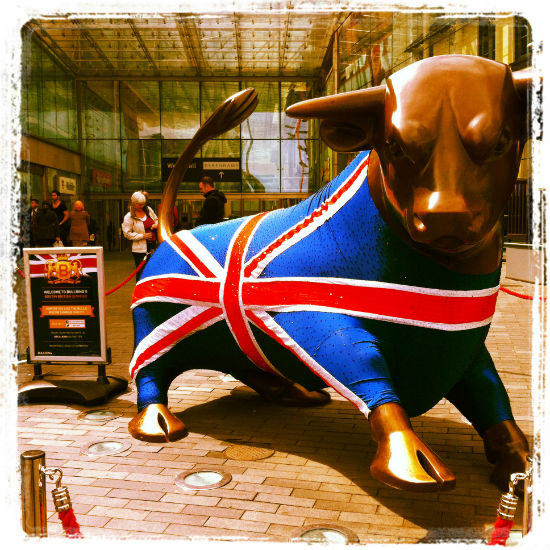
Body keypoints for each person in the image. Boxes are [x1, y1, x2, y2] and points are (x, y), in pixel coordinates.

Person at [122, 191, 158, 279]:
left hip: (152, 246)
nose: (142, 206)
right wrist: (142, 236)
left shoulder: (148, 210)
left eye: (143, 204)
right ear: (133, 203)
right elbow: (127, 234)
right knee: (141, 272)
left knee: (152, 271)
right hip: (139, 249)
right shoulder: (129, 216)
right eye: (139, 204)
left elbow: (156, 219)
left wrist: (156, 225)